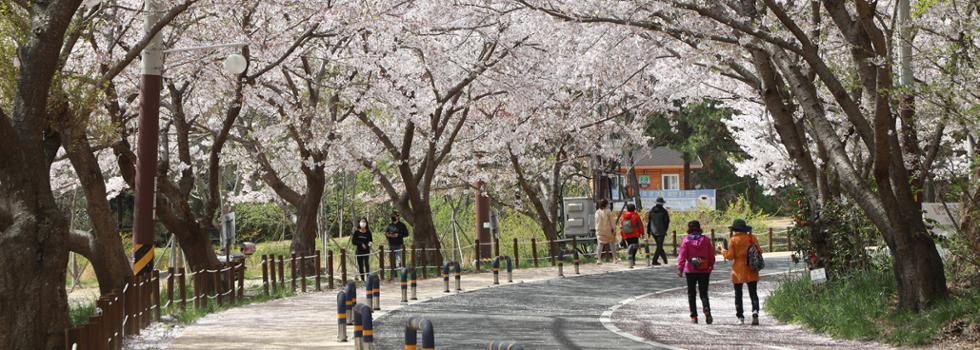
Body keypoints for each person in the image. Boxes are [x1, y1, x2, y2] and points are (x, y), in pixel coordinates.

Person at [722, 218, 762, 325]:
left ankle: (740, 317)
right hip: (751, 268)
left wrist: (722, 251)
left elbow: (730, 256)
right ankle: (755, 312)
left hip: (738, 270)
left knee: (738, 294)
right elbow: (760, 251)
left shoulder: (733, 240)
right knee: (753, 293)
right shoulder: (751, 238)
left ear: (735, 229)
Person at [677, 220, 715, 324]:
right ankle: (706, 309)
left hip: (690, 270)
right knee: (703, 293)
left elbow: (682, 256)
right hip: (704, 270)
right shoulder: (706, 240)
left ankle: (694, 316)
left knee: (691, 293)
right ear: (699, 228)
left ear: (689, 229)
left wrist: (680, 269)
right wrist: (711, 266)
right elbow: (711, 254)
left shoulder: (686, 241)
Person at [647, 197, 670, 265]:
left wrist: (648, 231)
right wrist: (665, 230)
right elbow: (667, 222)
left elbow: (649, 221)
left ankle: (665, 260)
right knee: (659, 246)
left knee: (659, 246)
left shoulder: (651, 210)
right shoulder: (664, 211)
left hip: (653, 230)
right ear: (662, 203)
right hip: (661, 231)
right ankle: (654, 261)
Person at [594, 199, 618, 263]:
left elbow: (596, 222)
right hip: (608, 230)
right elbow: (612, 221)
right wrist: (614, 229)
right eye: (608, 203)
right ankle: (615, 258)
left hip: (599, 230)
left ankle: (598, 259)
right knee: (612, 243)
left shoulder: (597, 212)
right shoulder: (608, 211)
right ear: (606, 204)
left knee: (600, 244)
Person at [352, 217, 373, 282]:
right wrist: (361, 244)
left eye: (364, 221)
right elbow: (353, 241)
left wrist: (367, 245)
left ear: (366, 223)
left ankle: (368, 278)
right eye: (362, 221)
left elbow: (371, 241)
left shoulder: (368, 232)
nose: (363, 223)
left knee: (366, 264)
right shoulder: (356, 232)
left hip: (366, 251)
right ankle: (363, 279)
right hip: (359, 251)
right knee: (360, 265)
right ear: (359, 223)